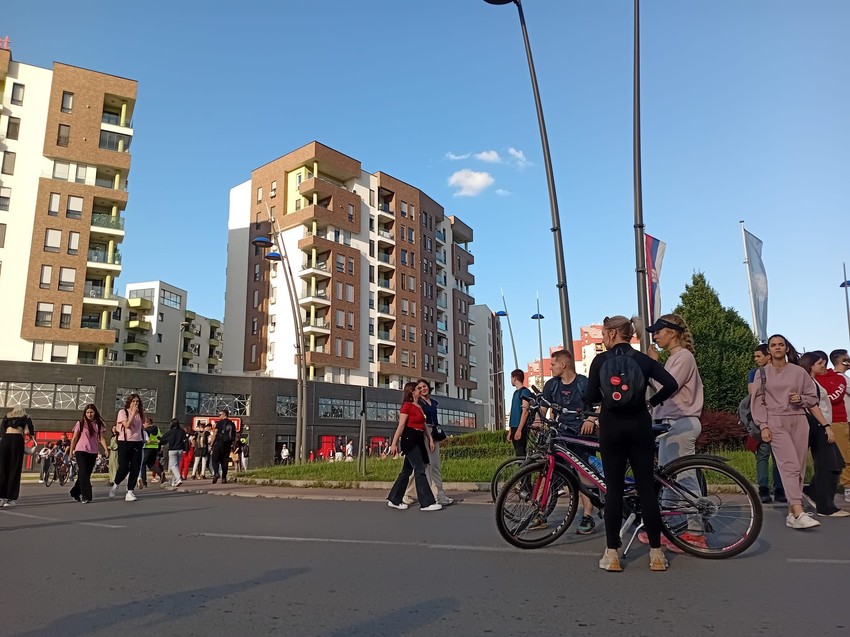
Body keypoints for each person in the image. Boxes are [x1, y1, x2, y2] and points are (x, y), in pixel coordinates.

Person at [585, 316, 678, 572]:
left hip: (611, 428)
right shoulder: (643, 360)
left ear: (614, 333)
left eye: (604, 334)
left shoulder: (601, 361)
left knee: (613, 490)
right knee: (646, 488)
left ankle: (612, 554)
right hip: (639, 426)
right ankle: (657, 555)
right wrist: (652, 401)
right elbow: (671, 384)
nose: (603, 339)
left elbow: (590, 396)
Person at [750, 334, 825, 530]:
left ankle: (792, 515)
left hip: (799, 419)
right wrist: (763, 426)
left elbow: (812, 398)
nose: (777, 348)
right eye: (773, 345)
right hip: (775, 420)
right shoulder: (762, 373)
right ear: (769, 350)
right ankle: (799, 512)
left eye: (780, 345)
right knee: (789, 465)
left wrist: (800, 398)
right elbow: (757, 402)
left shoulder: (799, 372)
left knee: (799, 468)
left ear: (786, 348)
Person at [644, 314, 706, 549]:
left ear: (672, 332)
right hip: (671, 424)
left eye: (658, 332)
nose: (655, 336)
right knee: (668, 478)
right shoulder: (675, 358)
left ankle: (696, 531)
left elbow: (666, 387)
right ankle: (668, 529)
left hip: (680, 422)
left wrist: (653, 365)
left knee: (685, 477)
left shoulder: (683, 357)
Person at [542, 349, 598, 535]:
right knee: (549, 473)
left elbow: (600, 404)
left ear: (563, 365)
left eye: (553, 364)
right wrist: (536, 421)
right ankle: (541, 512)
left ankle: (587, 515)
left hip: (582, 435)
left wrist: (590, 420)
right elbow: (543, 408)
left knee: (583, 475)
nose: (550, 368)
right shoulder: (551, 385)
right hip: (560, 435)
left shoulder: (584, 383)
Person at [386, 382, 441, 511]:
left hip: (419, 439)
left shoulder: (419, 406)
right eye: (417, 388)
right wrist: (393, 444)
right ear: (412, 392)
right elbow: (401, 426)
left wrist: (430, 439)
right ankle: (426, 503)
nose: (420, 390)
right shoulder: (407, 406)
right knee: (419, 469)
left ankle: (394, 499)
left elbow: (424, 425)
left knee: (406, 471)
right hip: (409, 438)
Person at [806, 351, 849, 517]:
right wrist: (826, 426)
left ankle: (814, 492)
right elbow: (813, 405)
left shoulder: (813, 381)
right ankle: (825, 506)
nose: (823, 365)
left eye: (823, 362)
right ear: (810, 365)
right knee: (829, 464)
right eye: (819, 363)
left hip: (823, 424)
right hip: (819, 425)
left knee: (836, 462)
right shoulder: (808, 382)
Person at [404, 380, 453, 507]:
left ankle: (439, 495)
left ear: (428, 387)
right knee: (422, 466)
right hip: (422, 434)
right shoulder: (417, 403)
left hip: (434, 434)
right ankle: (408, 494)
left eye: (424, 386)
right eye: (419, 388)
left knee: (435, 465)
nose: (422, 389)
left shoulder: (433, 403)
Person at [749, 344, 785, 503]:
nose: (756, 359)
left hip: (781, 418)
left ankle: (779, 489)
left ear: (768, 355)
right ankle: (764, 488)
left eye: (758, 356)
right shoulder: (755, 373)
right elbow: (753, 394)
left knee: (780, 456)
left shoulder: (782, 371)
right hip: (763, 418)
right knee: (764, 454)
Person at [68, 404, 110, 504]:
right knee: (83, 472)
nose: (89, 414)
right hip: (81, 450)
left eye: (91, 412)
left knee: (86, 474)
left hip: (92, 451)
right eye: (87, 412)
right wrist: (71, 452)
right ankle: (86, 496)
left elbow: (102, 438)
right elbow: (74, 439)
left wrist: (106, 449)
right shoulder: (81, 423)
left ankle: (74, 492)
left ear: (95, 413)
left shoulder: (99, 424)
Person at [109, 394, 146, 502]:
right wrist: (133, 413)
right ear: (129, 402)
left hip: (137, 442)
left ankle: (130, 491)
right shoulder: (123, 412)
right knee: (124, 466)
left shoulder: (140, 414)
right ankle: (116, 484)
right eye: (134, 401)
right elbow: (127, 425)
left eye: (138, 402)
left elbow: (142, 426)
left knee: (135, 466)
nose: (136, 404)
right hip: (124, 442)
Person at [826, 349, 850, 502]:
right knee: (846, 454)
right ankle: (847, 487)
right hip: (842, 421)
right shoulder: (842, 379)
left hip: (843, 421)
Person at [0, 407, 35, 507]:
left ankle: (1, 497)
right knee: (14, 469)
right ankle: (10, 499)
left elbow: (1, 431)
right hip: (17, 440)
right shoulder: (25, 417)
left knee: (3, 469)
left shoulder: (7, 416)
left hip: (5, 440)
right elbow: (29, 432)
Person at [508, 369, 534, 457]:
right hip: (514, 427)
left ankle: (524, 470)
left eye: (511, 378)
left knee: (521, 453)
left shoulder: (525, 392)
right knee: (517, 453)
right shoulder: (515, 393)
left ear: (514, 378)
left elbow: (525, 412)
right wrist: (510, 431)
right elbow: (513, 412)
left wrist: (519, 430)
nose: (511, 380)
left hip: (521, 427)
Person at [209, 409, 236, 484]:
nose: (219, 416)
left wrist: (211, 444)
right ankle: (224, 478)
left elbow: (215, 433)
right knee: (225, 461)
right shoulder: (232, 424)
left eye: (220, 414)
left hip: (219, 443)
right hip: (228, 444)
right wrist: (233, 444)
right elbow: (234, 435)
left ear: (224, 414)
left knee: (215, 459)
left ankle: (216, 473)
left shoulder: (219, 423)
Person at [159, 419, 188, 487]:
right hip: (180, 450)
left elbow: (163, 440)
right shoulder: (182, 431)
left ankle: (178, 479)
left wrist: (159, 440)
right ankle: (174, 481)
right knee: (177, 466)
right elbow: (185, 440)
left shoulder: (170, 432)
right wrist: (185, 449)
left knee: (173, 466)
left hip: (172, 450)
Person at [138, 417, 161, 488]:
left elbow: (145, 440)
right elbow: (160, 438)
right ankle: (161, 473)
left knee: (143, 464)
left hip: (147, 448)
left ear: (148, 423)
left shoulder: (146, 430)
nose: (143, 424)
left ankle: (144, 481)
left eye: (144, 423)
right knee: (151, 464)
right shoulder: (158, 429)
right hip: (155, 448)